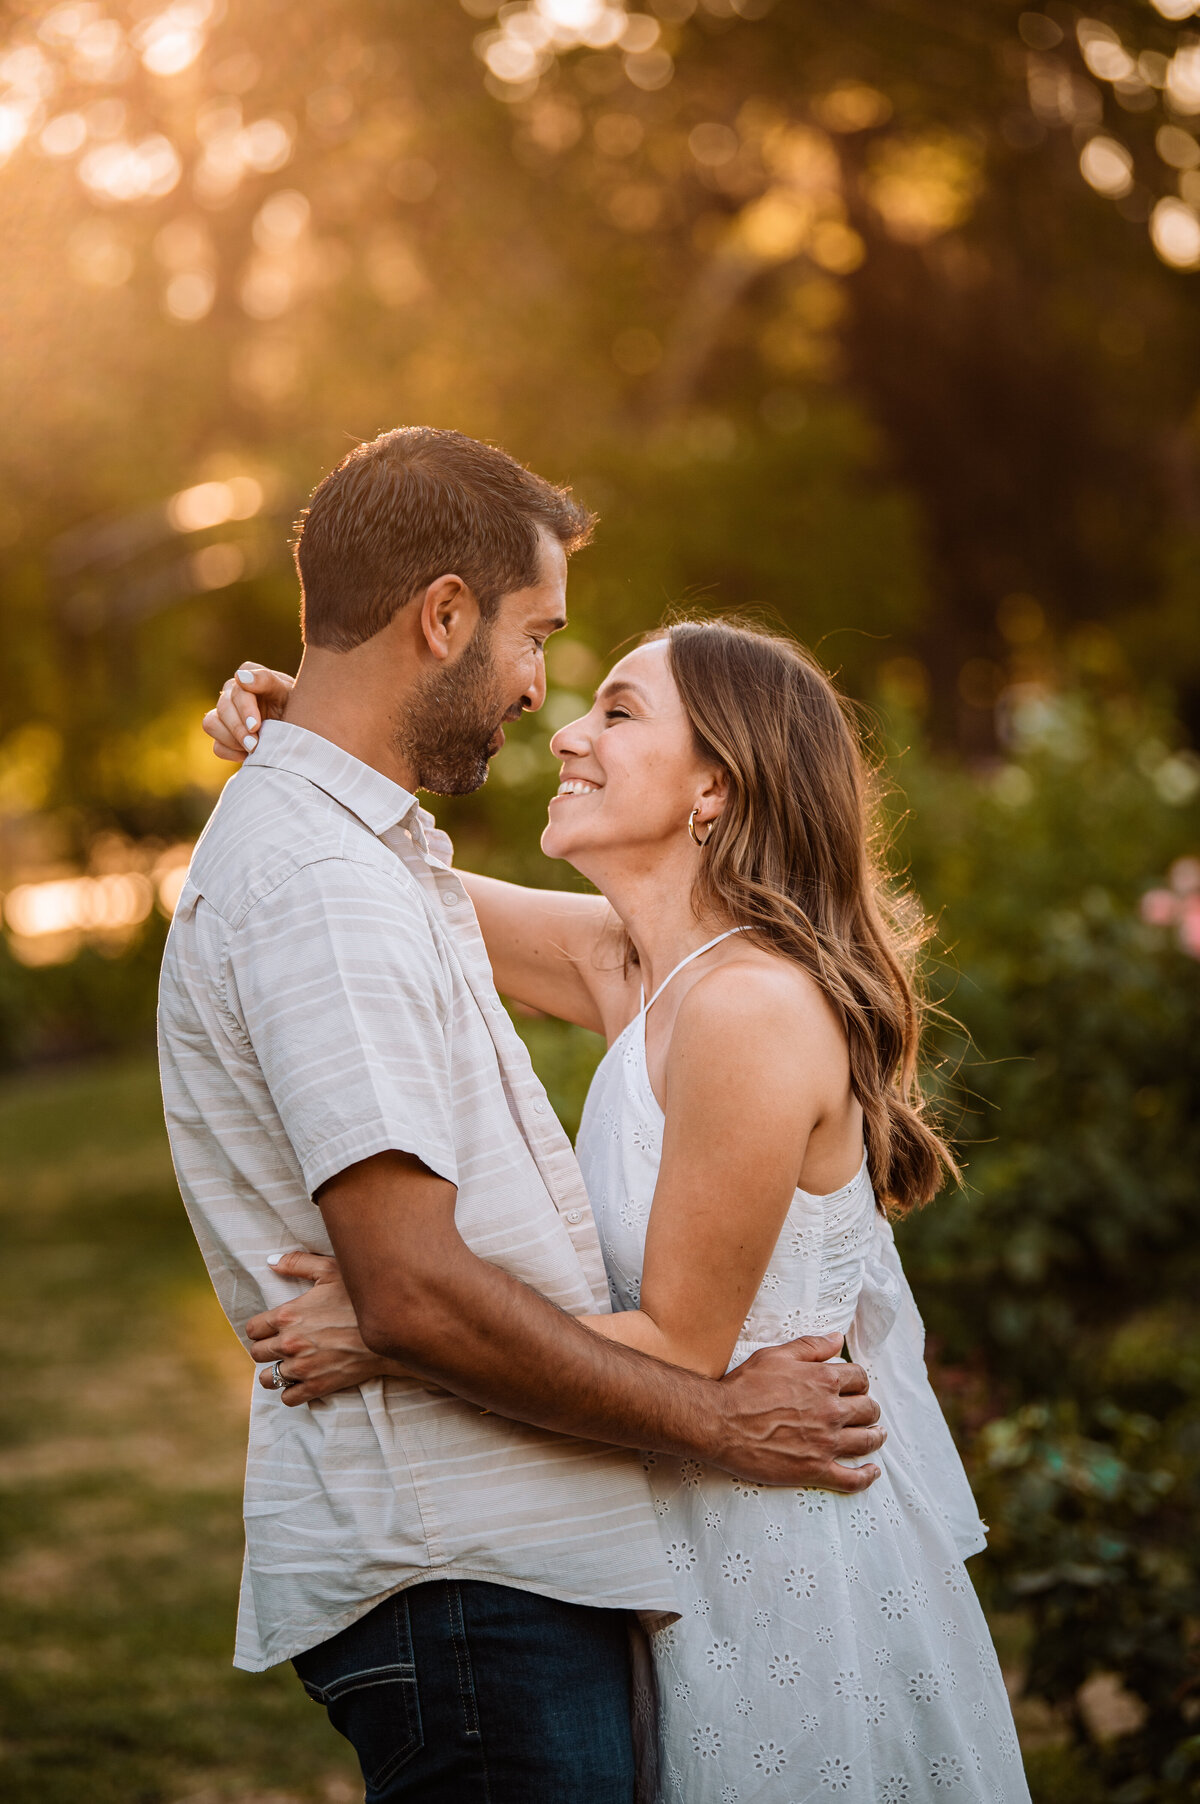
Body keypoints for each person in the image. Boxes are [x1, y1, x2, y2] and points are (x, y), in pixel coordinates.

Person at [161, 427, 884, 1804]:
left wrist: (298, 751)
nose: (548, 700)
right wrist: (294, 747)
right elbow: (363, 876)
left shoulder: (702, 989)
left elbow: (395, 870)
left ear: (716, 784)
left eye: (615, 708)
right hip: (479, 1559)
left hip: (672, 1544)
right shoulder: (354, 881)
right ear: (445, 615)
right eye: (539, 642)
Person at [207, 616, 1032, 1802]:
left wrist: (395, 1329)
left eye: (619, 713)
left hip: (782, 1567)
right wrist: (313, 731)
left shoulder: (749, 1008)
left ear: (716, 785)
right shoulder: (639, 967)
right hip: (682, 1538)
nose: (569, 736)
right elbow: (404, 883)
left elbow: (682, 1347)